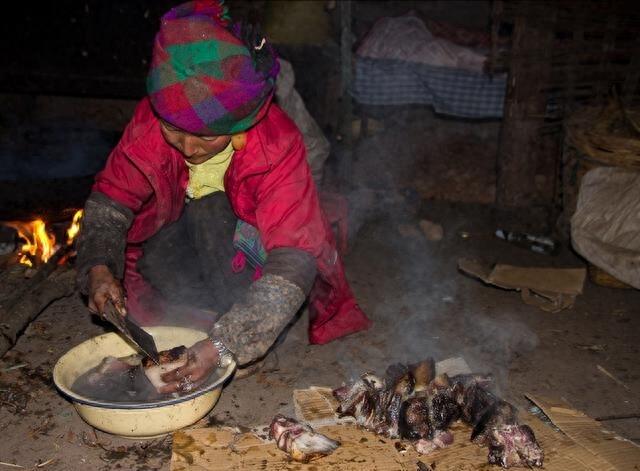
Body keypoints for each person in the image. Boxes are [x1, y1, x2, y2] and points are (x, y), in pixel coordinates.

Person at [75, 0, 371, 393]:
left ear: (239, 127)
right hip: (182, 228)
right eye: (174, 131)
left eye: (205, 137)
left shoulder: (275, 142)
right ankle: (198, 315)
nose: (188, 147)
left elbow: (294, 255)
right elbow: (111, 201)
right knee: (157, 247)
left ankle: (226, 326)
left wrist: (226, 342)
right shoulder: (155, 119)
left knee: (213, 214)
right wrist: (98, 268)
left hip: (247, 243)